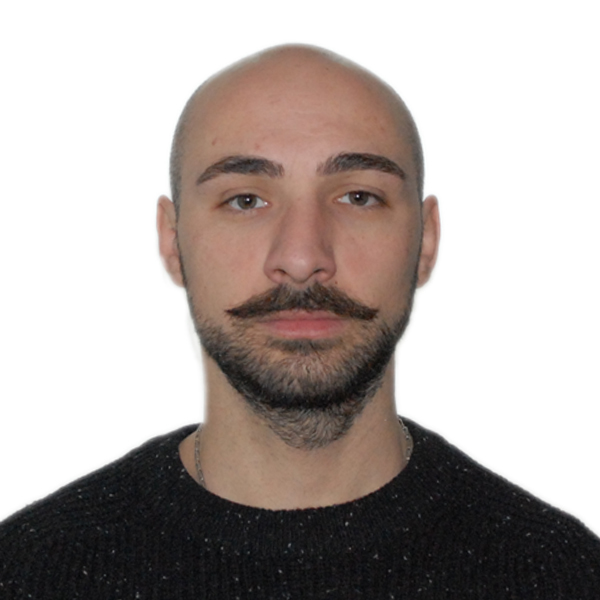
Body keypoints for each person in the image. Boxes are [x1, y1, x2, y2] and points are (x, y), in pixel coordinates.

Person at [1, 44, 599, 599]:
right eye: (246, 200)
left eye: (359, 197)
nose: (302, 256)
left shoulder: (563, 576)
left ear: (425, 241)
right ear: (172, 240)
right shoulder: (28, 573)